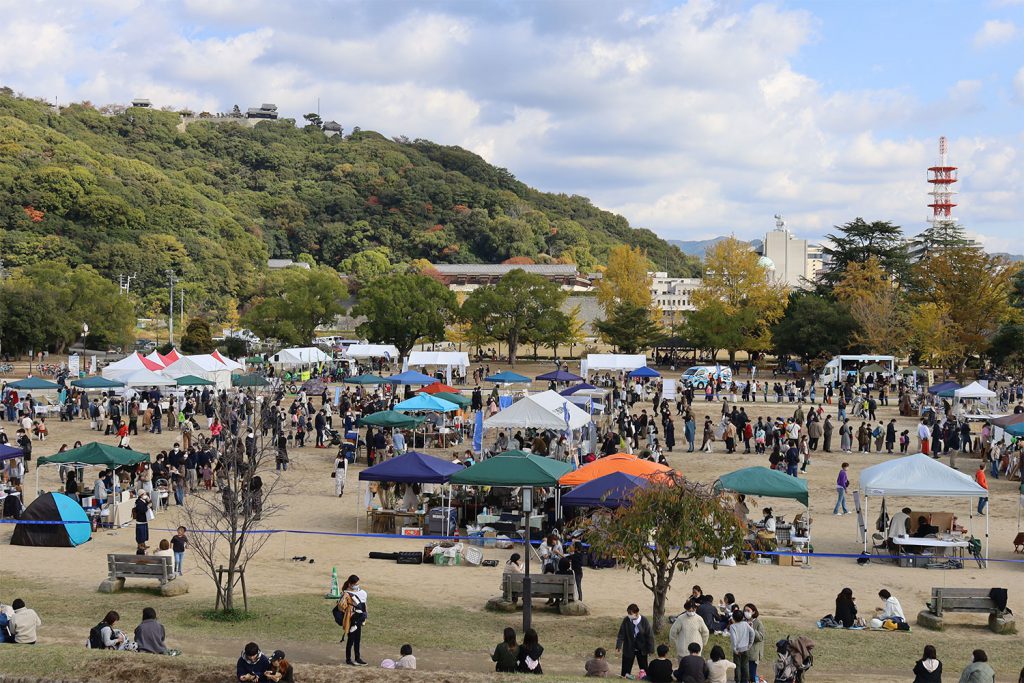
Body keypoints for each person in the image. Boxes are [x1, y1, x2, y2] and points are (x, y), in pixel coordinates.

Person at [616, 603, 654, 678]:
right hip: (629, 648)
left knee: (644, 667)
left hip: (642, 648)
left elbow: (649, 636)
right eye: (628, 613)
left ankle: (644, 677)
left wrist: (650, 649)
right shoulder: (626, 620)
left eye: (630, 613)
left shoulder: (644, 620)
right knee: (626, 668)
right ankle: (625, 677)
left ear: (636, 613)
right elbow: (621, 634)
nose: (629, 615)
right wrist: (619, 645)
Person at [338, 575, 368, 666]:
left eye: (358, 583)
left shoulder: (362, 592)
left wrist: (364, 618)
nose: (357, 585)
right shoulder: (346, 593)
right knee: (351, 640)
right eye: (355, 584)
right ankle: (348, 659)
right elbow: (341, 607)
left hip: (359, 619)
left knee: (357, 640)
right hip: (351, 619)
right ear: (350, 584)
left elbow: (365, 605)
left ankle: (357, 658)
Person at [728, 610, 755, 682]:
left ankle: (738, 680)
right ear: (743, 617)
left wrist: (734, 649)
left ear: (733, 618)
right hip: (746, 648)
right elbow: (752, 632)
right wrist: (750, 644)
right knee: (745, 665)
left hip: (737, 650)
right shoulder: (745, 624)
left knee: (737, 666)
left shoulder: (732, 626)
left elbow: (734, 639)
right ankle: (745, 680)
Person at [744, 603, 766, 683]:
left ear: (753, 612)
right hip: (744, 652)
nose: (746, 612)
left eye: (748, 610)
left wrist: (752, 629)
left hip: (753, 654)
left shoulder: (758, 623)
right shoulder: (744, 621)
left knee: (751, 675)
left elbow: (761, 638)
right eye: (745, 610)